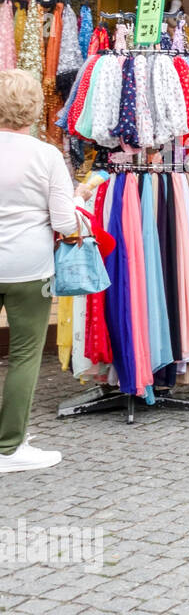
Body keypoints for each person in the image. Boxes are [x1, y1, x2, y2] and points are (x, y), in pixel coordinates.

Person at [0, 69, 79, 473]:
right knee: (25, 355)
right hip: (29, 267)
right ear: (33, 109)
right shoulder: (46, 155)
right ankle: (9, 447)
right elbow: (65, 222)